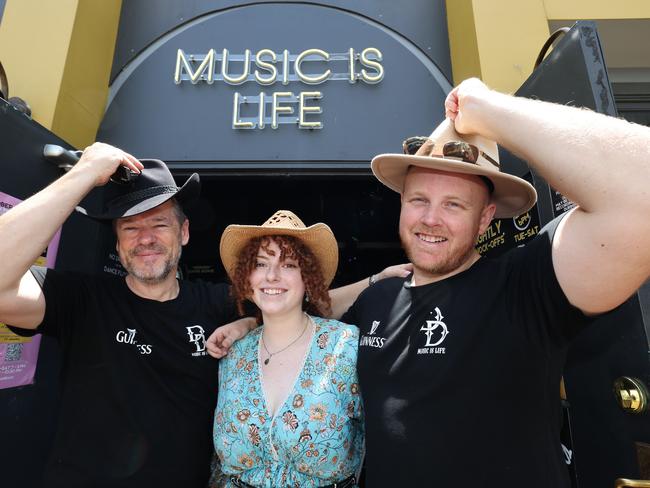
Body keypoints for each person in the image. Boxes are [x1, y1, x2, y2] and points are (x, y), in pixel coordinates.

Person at [0, 144, 407, 488]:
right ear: (117, 241)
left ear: (184, 233)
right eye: (129, 227)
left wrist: (375, 281)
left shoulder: (215, 305)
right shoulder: (79, 298)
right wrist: (83, 174)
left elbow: (299, 304)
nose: (145, 238)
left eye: (159, 223)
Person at [340, 78, 650, 487]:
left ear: (485, 218)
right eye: (419, 200)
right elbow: (302, 318)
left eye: (454, 204)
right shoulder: (376, 299)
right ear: (402, 205)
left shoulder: (526, 287)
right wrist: (249, 324)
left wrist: (485, 107)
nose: (431, 219)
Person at [213, 210, 362, 488]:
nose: (272, 275)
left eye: (289, 265)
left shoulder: (345, 347)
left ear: (308, 278)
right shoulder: (233, 354)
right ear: (247, 277)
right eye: (260, 263)